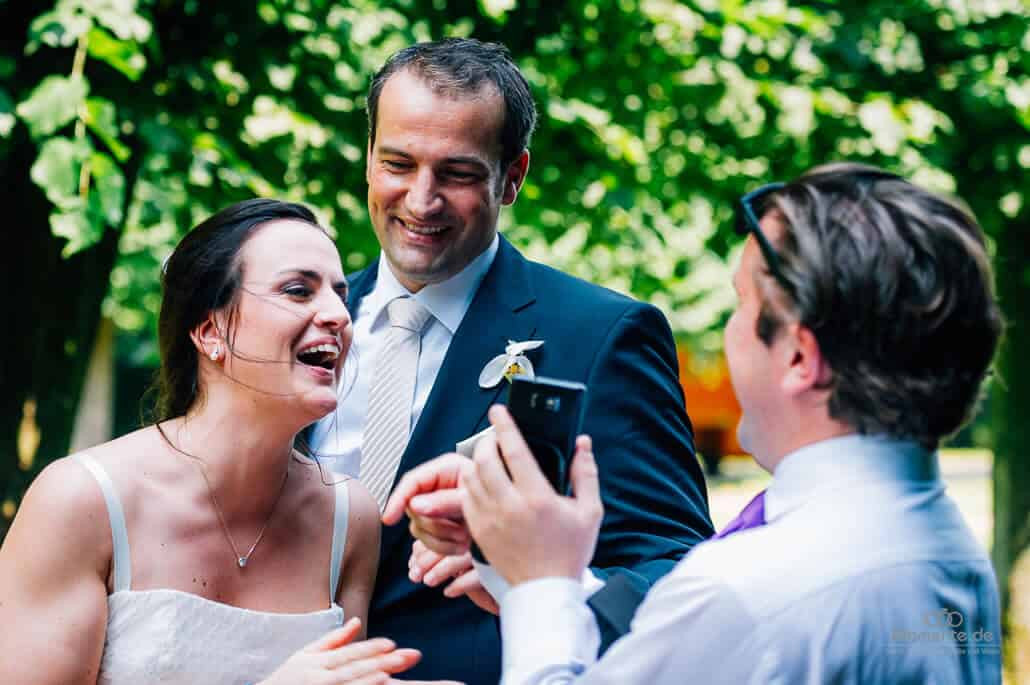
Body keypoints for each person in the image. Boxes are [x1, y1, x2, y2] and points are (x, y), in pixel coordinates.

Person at [391, 163, 1005, 683]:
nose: (728, 331)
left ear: (799, 356)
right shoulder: (947, 548)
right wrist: (524, 571)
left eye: (743, 304)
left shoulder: (744, 590)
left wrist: (539, 588)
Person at [308, 38, 713, 685]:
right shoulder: (303, 322)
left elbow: (679, 569)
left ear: (514, 175)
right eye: (398, 163)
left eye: (458, 173)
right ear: (368, 160)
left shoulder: (602, 335)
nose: (421, 198)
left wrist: (540, 581)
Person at [0, 200, 429, 684]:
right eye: (297, 290)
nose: (337, 315)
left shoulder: (349, 518)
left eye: (339, 294)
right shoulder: (80, 501)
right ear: (209, 332)